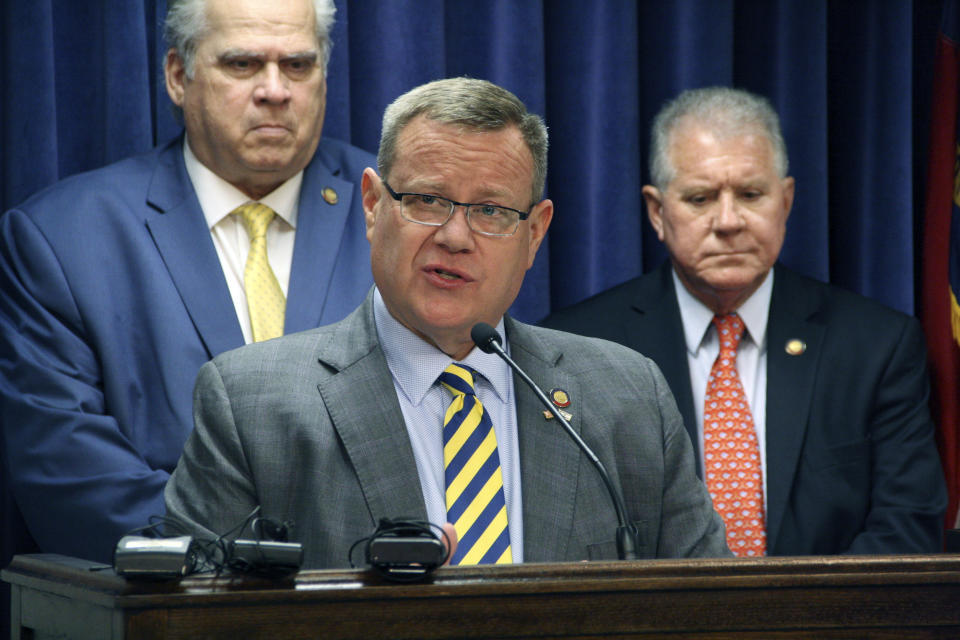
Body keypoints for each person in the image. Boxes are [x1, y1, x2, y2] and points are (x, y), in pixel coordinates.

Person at [164, 77, 731, 567]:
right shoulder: (251, 405)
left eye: (490, 211)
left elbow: (712, 610)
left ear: (534, 233)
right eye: (428, 200)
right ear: (372, 205)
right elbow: (194, 616)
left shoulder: (628, 397)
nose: (455, 237)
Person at [0, 0, 374, 565]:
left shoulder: (401, 215)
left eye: (298, 65)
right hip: (172, 604)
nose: (276, 90)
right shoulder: (61, 237)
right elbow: (68, 471)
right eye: (243, 64)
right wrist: (242, 568)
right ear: (179, 76)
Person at [543, 86, 947, 556]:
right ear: (657, 212)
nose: (729, 220)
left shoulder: (877, 346)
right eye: (700, 198)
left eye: (751, 194)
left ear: (787, 201)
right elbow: (569, 537)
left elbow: (907, 530)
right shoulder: (581, 346)